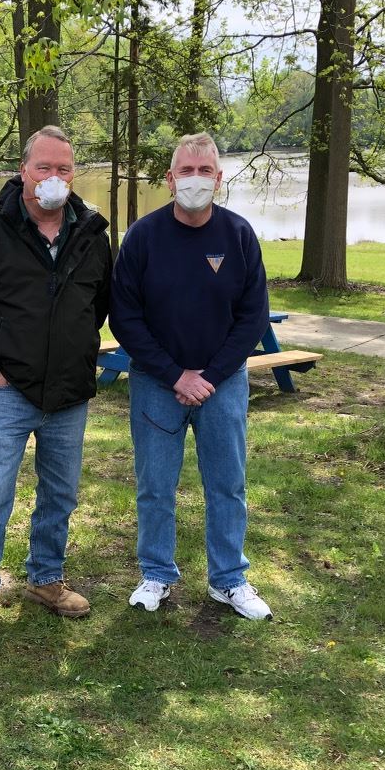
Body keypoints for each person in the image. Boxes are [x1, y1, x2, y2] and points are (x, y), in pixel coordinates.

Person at [0, 125, 112, 650]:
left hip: (69, 395)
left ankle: (46, 578)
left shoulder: (91, 236)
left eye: (64, 169)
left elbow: (98, 305)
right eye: (44, 168)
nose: (54, 178)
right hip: (7, 392)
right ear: (24, 172)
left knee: (59, 494)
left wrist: (76, 352)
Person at [109, 131, 273, 620]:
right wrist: (175, 374)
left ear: (219, 179)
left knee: (227, 484)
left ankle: (229, 580)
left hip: (223, 384)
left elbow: (252, 316)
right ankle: (156, 573)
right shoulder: (143, 236)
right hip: (155, 383)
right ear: (170, 178)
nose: (196, 180)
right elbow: (125, 317)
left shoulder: (239, 235)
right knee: (155, 484)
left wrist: (211, 375)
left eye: (205, 171)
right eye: (187, 170)